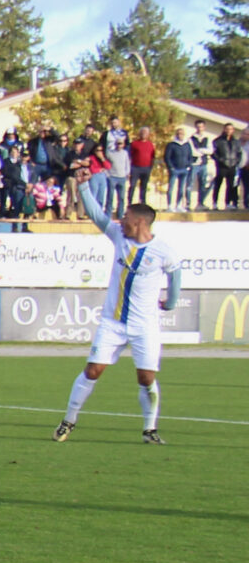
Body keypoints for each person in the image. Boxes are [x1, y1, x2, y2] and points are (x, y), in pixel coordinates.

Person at [55, 170, 179, 443]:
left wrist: (170, 302)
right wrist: (83, 186)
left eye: (126, 217)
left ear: (139, 222)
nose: (121, 220)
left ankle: (149, 430)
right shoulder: (119, 236)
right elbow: (97, 215)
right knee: (93, 370)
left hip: (145, 326)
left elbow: (175, 275)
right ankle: (68, 421)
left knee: (146, 377)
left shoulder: (163, 251)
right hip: (113, 323)